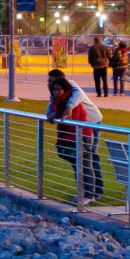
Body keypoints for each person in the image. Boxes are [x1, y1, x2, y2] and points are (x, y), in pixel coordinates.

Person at [45, 69, 104, 200]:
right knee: (80, 161)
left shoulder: (70, 87)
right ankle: (84, 190)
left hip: (91, 123)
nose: (48, 84)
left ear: (59, 80)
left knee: (90, 158)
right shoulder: (56, 93)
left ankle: (95, 191)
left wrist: (69, 107)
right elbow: (52, 106)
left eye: (50, 81)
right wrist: (49, 115)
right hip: (78, 128)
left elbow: (76, 98)